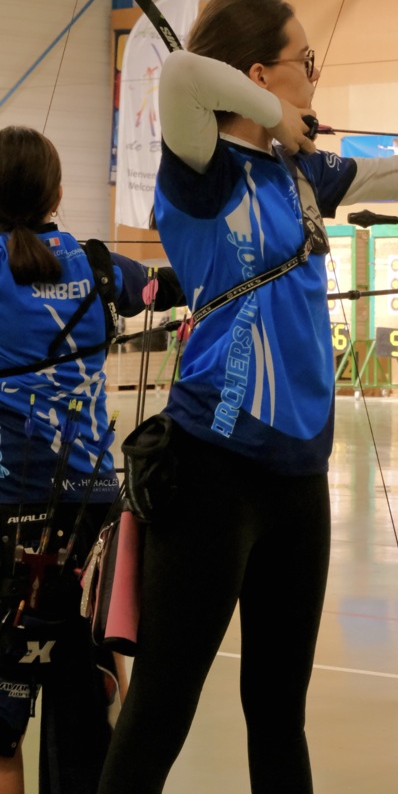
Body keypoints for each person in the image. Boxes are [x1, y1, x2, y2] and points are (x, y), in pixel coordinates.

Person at [97, 0, 398, 794]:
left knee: (278, 711)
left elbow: (393, 171)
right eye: (304, 61)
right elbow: (183, 73)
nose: (313, 76)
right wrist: (276, 113)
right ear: (259, 75)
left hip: (299, 473)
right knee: (162, 704)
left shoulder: (300, 174)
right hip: (212, 464)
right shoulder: (202, 170)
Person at [0, 125, 183, 794]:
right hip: (94, 509)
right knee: (91, 702)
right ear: (56, 194)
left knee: (1, 731)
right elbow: (170, 285)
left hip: (9, 507)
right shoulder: (100, 268)